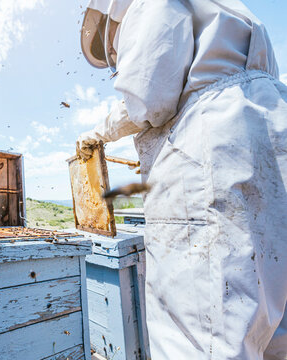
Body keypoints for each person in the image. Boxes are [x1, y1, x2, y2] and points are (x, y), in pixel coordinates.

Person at [76, 0, 287, 359]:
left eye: (107, 45)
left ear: (109, 16)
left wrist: (98, 132)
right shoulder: (226, 13)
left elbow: (148, 98)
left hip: (208, 150)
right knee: (270, 320)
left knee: (200, 337)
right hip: (271, 136)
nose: (112, 51)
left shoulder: (147, 3)